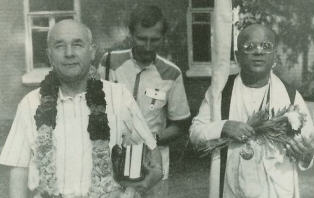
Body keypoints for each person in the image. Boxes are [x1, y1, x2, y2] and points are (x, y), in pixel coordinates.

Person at [0, 19, 163, 198]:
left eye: (77, 44)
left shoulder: (119, 97)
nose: (69, 53)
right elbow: (18, 171)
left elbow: (153, 158)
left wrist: (140, 187)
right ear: (49, 55)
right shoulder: (30, 104)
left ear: (92, 51)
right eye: (59, 46)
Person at [190, 24, 314, 198]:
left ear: (275, 56)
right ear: (237, 56)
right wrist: (223, 126)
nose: (258, 52)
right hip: (231, 187)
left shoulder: (290, 95)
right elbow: (195, 133)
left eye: (266, 46)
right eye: (249, 47)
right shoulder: (220, 92)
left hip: (276, 190)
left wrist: (307, 155)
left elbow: (309, 148)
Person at [98, 5, 190, 198]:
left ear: (163, 37)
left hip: (152, 167)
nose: (148, 46)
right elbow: (96, 109)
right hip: (113, 162)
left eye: (154, 39)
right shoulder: (109, 63)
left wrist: (149, 141)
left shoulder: (171, 73)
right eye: (142, 38)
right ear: (131, 34)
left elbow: (180, 125)